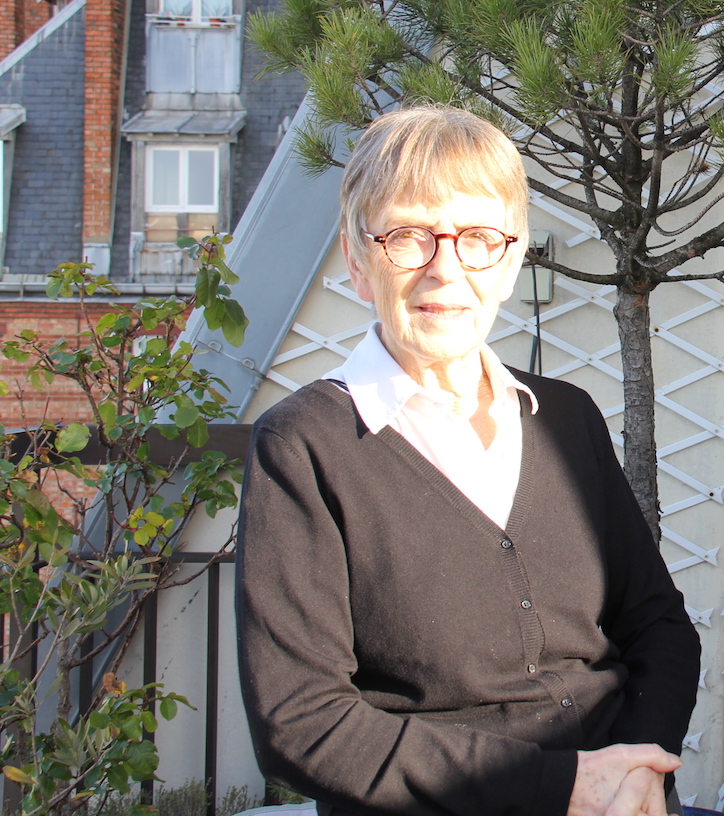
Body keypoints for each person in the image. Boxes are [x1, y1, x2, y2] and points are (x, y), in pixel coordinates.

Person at [236, 105, 700, 816]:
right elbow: (302, 722)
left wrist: (635, 773)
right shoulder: (302, 449)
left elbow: (659, 627)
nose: (444, 269)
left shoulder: (568, 420)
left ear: (511, 261)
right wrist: (565, 788)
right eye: (408, 237)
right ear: (359, 263)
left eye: (478, 237)